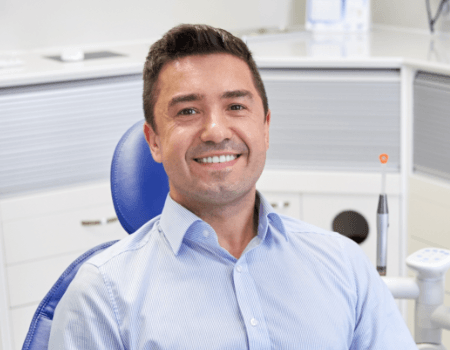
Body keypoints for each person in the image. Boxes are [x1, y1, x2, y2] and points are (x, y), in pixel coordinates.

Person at [49, 24, 416, 349]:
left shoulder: (344, 265)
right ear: (154, 141)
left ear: (266, 127)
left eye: (236, 106)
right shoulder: (102, 296)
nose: (216, 131)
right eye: (187, 111)